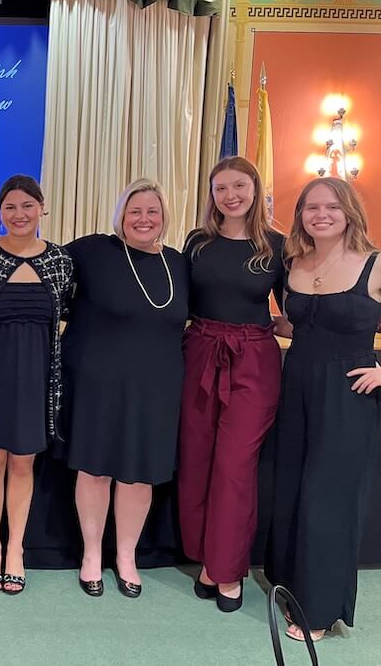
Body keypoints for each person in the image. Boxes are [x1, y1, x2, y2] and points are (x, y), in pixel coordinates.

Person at [57, 179, 189, 598]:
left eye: (152, 211)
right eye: (135, 211)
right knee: (95, 471)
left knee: (139, 477)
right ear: (121, 215)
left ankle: (126, 556)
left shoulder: (180, 263)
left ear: (164, 216)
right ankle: (92, 554)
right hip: (98, 383)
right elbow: (37, 261)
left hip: (157, 387)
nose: (144, 219)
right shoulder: (93, 250)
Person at [266, 177, 381, 642]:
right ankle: (290, 586)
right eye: (311, 208)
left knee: (327, 500)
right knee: (291, 488)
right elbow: (298, 323)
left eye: (331, 207)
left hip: (348, 393)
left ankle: (319, 610)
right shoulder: (292, 261)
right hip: (296, 385)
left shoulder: (373, 265)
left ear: (349, 211)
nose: (321, 214)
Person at [178, 157, 285, 613]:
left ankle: (226, 570)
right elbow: (168, 292)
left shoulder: (277, 246)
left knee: (235, 466)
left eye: (239, 185)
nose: (231, 195)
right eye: (221, 188)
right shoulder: (197, 243)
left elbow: (296, 306)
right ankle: (205, 557)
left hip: (253, 362)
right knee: (198, 461)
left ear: (255, 189)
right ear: (212, 194)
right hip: (200, 352)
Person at [0, 174, 73, 595]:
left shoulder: (60, 261)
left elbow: (76, 310)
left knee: (23, 463)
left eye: (28, 205)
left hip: (37, 378)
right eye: (10, 207)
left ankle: (16, 550)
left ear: (41, 208)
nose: (19, 214)